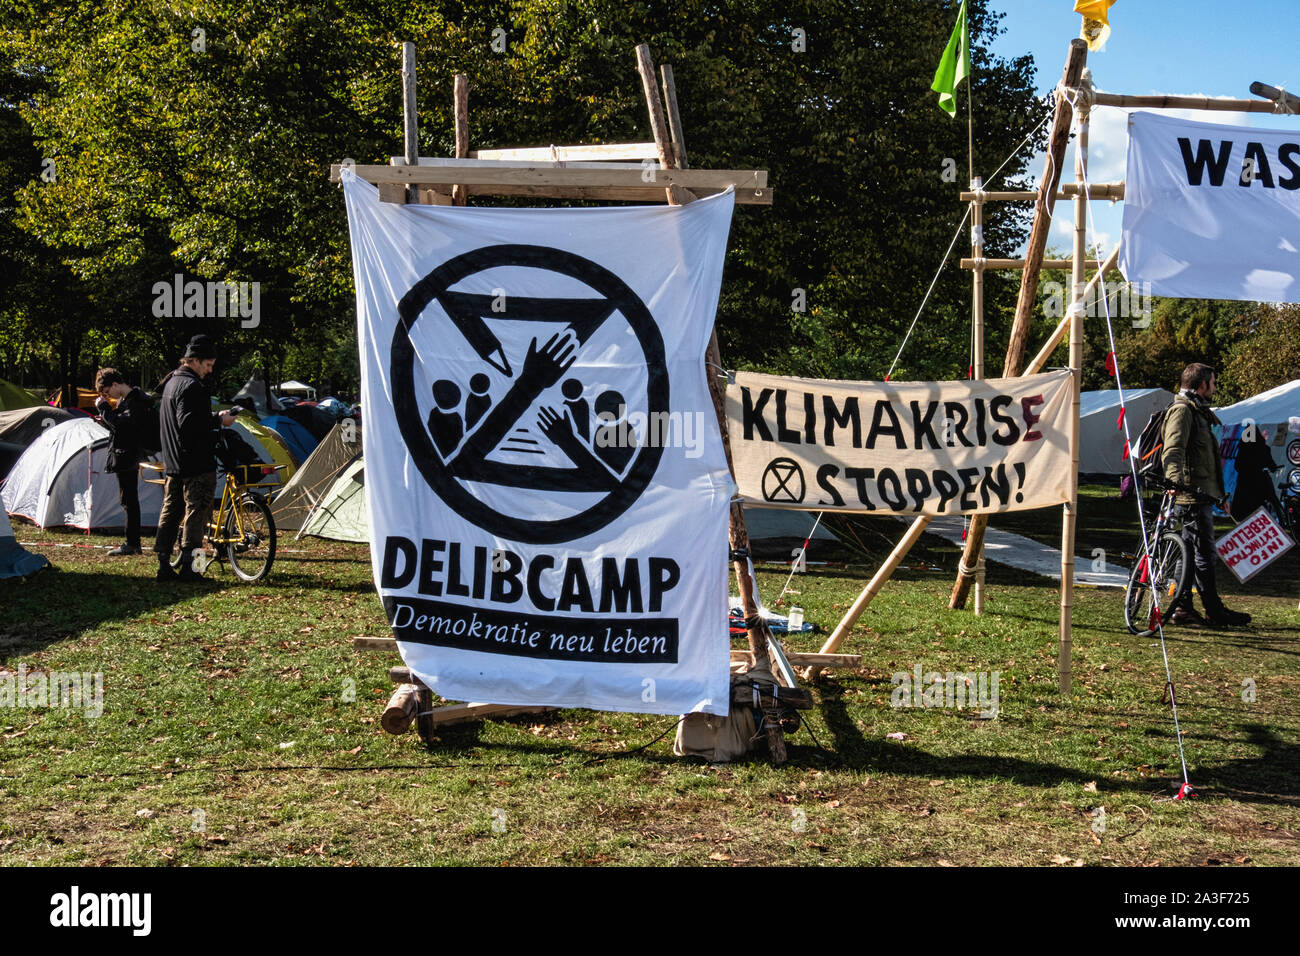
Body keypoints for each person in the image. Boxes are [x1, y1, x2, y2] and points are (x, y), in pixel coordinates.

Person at [1162, 363, 1250, 627]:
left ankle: (1184, 608)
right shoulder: (1182, 411)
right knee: (1202, 555)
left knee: (1190, 554)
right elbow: (1173, 449)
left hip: (1202, 495)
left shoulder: (1199, 412)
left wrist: (1219, 494)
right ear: (1201, 385)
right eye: (1212, 383)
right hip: (1190, 496)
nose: (1214, 387)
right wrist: (1175, 480)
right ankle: (1210, 610)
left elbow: (1208, 460)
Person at [153, 335, 237, 582]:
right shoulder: (193, 386)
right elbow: (189, 422)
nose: (209, 371)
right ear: (196, 361)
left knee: (171, 510)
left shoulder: (172, 382)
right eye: (208, 365)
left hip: (173, 460)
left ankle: (163, 564)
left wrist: (211, 415)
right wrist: (219, 420)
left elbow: (185, 417)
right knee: (198, 513)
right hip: (196, 461)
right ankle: (194, 568)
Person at [94, 368, 151, 556]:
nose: (107, 396)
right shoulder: (127, 401)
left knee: (129, 500)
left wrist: (104, 409)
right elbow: (121, 425)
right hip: (126, 453)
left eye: (107, 392)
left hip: (128, 455)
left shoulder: (135, 401)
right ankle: (132, 542)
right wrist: (106, 420)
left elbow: (122, 425)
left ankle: (132, 543)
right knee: (128, 499)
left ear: (116, 385)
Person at [1231, 425, 1279, 521]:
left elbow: (1237, 466)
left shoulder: (1243, 449)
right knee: (1261, 510)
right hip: (1260, 484)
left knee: (1245, 512)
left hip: (1244, 483)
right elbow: (1272, 466)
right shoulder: (1264, 448)